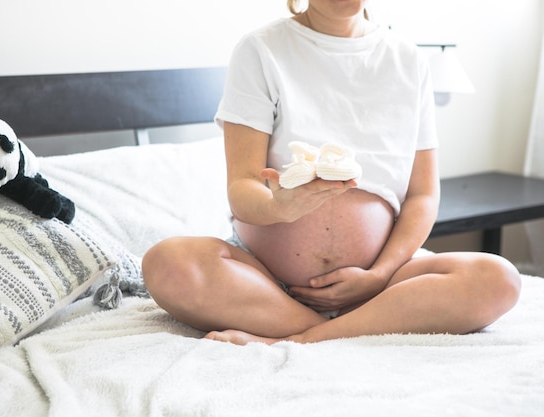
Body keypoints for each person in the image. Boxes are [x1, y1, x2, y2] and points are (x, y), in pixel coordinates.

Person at [142, 0, 521, 345]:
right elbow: (242, 187)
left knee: (499, 279)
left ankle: (302, 339)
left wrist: (379, 275)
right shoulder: (261, 50)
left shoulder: (409, 61)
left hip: (379, 284)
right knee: (167, 263)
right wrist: (280, 208)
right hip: (264, 282)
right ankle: (343, 331)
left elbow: (423, 196)